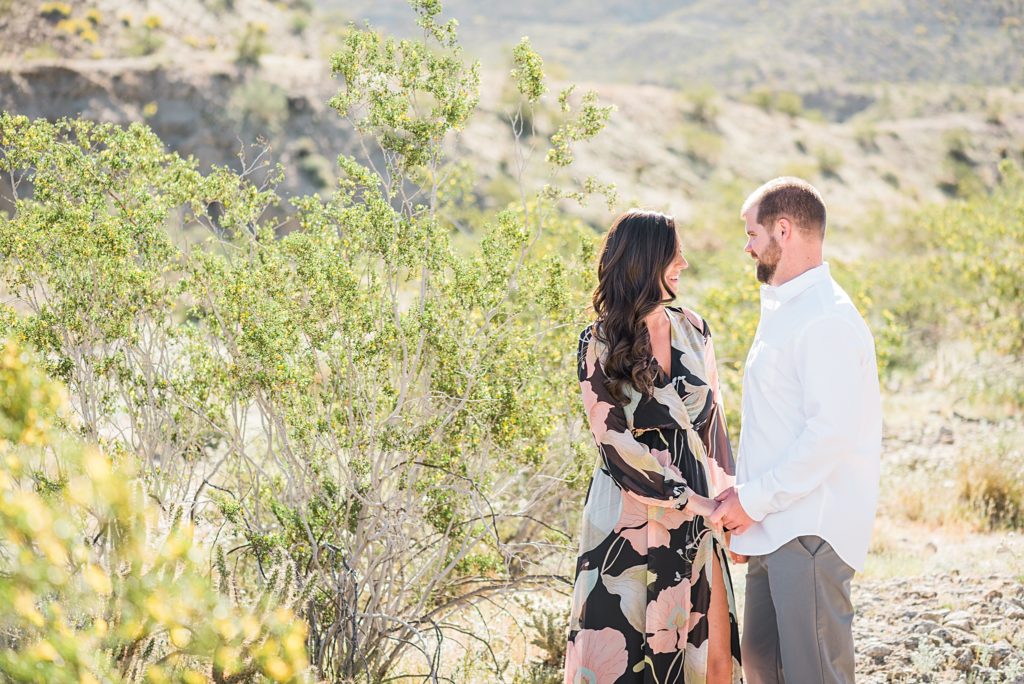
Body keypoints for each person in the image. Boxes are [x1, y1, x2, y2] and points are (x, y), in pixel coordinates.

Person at [709, 178, 882, 683]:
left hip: (809, 531)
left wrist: (753, 503)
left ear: (782, 230)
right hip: (775, 524)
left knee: (812, 675)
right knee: (764, 666)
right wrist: (750, 511)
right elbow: (776, 426)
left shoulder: (826, 318)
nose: (746, 245)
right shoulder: (788, 308)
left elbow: (829, 436)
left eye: (752, 232)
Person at [564, 209, 742, 683]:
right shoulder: (598, 343)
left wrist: (732, 507)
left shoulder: (694, 328)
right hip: (628, 521)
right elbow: (614, 443)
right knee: (626, 663)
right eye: (673, 253)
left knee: (714, 659)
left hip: (701, 520)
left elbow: (714, 426)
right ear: (646, 261)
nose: (684, 261)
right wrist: (695, 502)